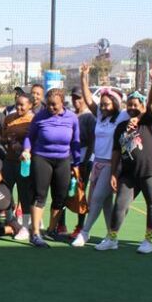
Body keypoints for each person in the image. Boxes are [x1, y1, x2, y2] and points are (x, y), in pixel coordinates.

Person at [104, 67, 152, 253]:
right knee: (120, 205)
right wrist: (113, 173)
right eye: (129, 105)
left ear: (142, 106)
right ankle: (112, 238)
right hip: (129, 173)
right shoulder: (121, 126)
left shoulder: (147, 121)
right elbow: (116, 152)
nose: (132, 108)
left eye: (135, 105)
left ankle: (148, 241)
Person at [71, 64, 130, 247]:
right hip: (97, 162)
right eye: (102, 104)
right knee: (105, 203)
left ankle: (85, 233)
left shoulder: (121, 117)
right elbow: (88, 98)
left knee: (96, 198)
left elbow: (140, 109)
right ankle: (112, 238)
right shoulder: (100, 116)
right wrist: (84, 76)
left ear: (116, 104)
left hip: (111, 164)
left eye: (107, 104)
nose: (103, 107)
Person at [23, 88, 81, 248]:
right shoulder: (39, 117)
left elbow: (75, 142)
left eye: (54, 104)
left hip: (63, 160)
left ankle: (51, 230)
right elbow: (29, 137)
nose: (51, 107)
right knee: (39, 195)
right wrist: (26, 150)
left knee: (60, 197)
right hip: (42, 158)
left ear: (62, 103)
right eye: (48, 104)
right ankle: (35, 234)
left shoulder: (72, 118)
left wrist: (76, 164)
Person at [0, 93, 35, 241]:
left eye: (22, 105)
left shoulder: (34, 119)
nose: (19, 107)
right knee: (6, 192)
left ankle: (25, 226)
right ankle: (11, 221)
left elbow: (35, 140)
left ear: (30, 105)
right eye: (17, 104)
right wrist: (6, 140)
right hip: (9, 161)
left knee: (24, 195)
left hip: (24, 163)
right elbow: (2, 138)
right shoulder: (8, 118)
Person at [63, 86, 96, 238]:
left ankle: (80, 226)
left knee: (80, 193)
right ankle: (60, 225)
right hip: (67, 158)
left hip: (83, 158)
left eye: (79, 97)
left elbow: (92, 141)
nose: (76, 100)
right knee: (63, 191)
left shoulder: (89, 117)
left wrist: (85, 161)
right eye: (74, 97)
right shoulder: (69, 114)